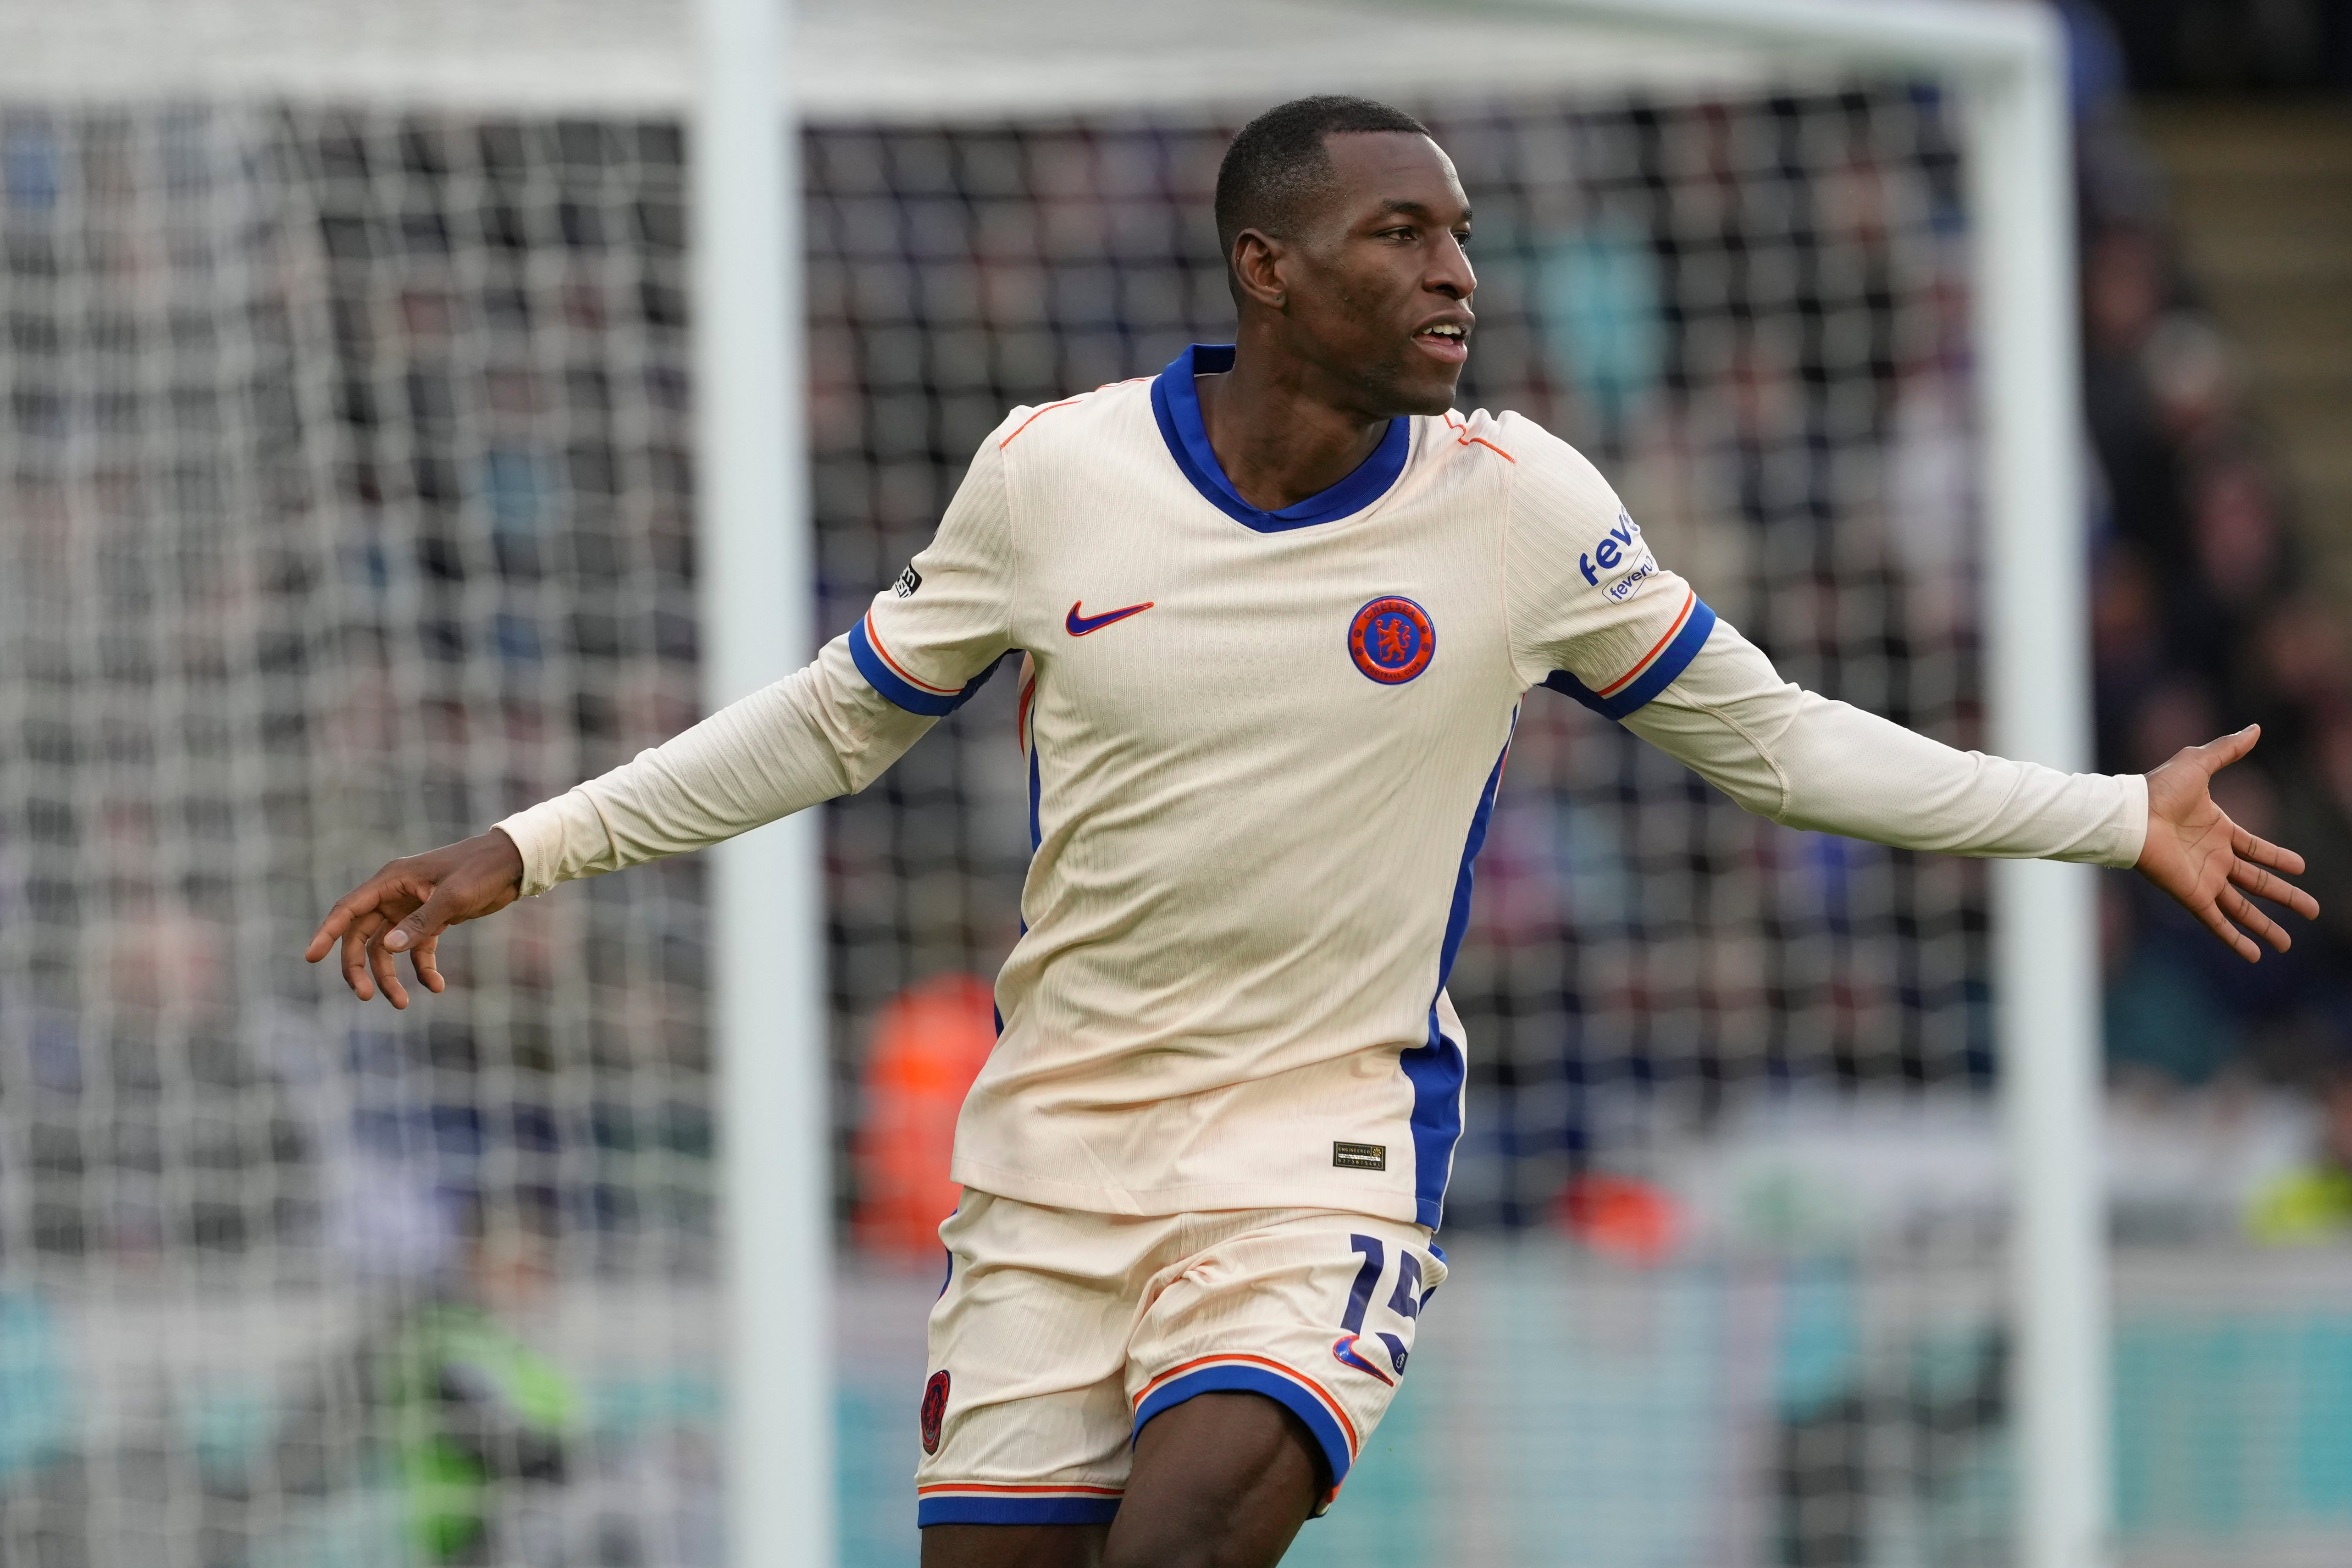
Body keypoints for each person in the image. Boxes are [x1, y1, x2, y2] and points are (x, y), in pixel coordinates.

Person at [305, 97, 2319, 1568]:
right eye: (1393, 233)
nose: (1450, 271)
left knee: (1184, 1534)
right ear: (1265, 270)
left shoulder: (1516, 506)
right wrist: (526, 845)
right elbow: (839, 718)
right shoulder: (1055, 479)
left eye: (1455, 232)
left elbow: (1771, 742)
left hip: (1319, 1141)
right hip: (1055, 1153)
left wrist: (2100, 816)